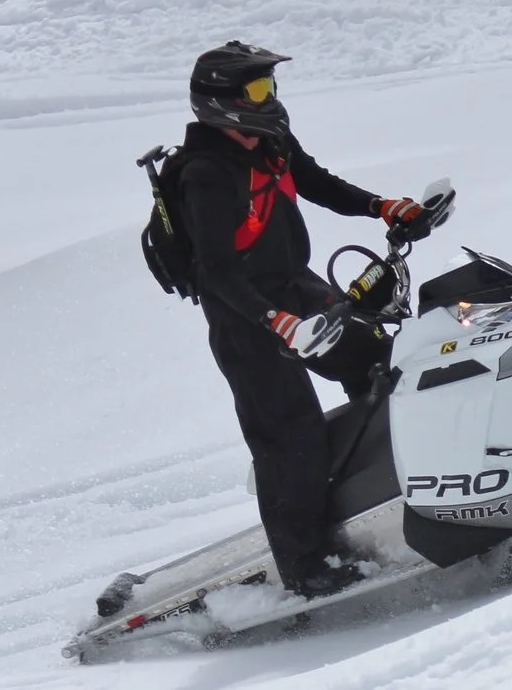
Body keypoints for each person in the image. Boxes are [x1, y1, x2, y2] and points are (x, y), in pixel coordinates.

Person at [175, 42, 435, 598]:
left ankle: (388, 485)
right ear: (222, 102)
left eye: (270, 87)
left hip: (296, 286)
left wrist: (381, 206)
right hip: (244, 315)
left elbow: (316, 182)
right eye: (257, 89)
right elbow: (216, 272)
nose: (269, 98)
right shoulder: (205, 174)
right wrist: (276, 321)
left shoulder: (269, 140)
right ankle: (307, 568)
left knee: (377, 361)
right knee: (289, 435)